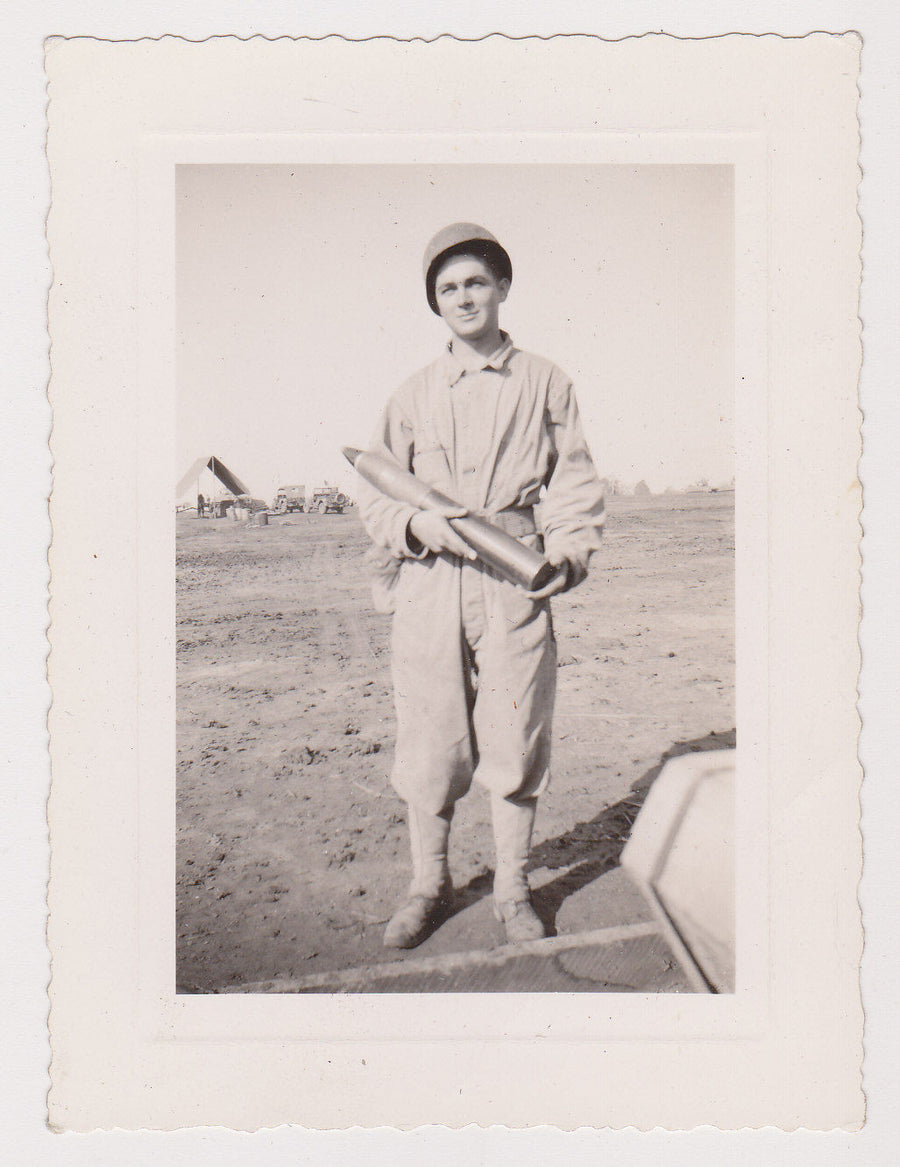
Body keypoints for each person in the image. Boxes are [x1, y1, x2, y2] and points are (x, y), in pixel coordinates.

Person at [357, 223, 605, 949]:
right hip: (431, 581)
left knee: (515, 732)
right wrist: (412, 528)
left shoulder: (547, 381)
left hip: (512, 573)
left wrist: (566, 552)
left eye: (474, 282)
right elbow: (375, 491)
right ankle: (428, 885)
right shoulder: (410, 395)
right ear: (434, 303)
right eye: (447, 288)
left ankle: (511, 887)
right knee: (431, 738)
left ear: (501, 288)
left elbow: (575, 480)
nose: (463, 297)